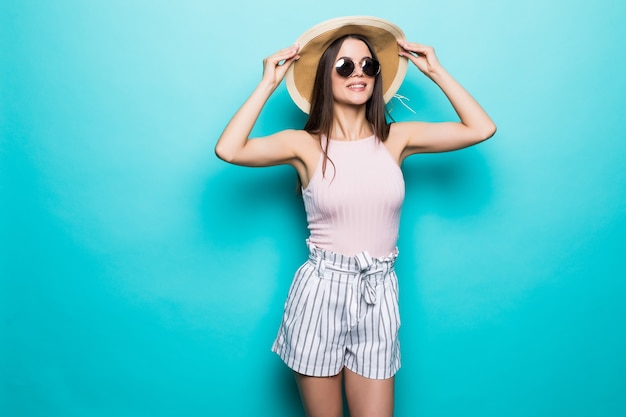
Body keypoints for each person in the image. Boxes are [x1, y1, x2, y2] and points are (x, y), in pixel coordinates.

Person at [215, 15, 496, 417]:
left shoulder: (397, 139)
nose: (359, 73)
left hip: (378, 292)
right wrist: (267, 83)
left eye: (368, 64)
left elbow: (481, 128)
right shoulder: (303, 145)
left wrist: (436, 71)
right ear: (324, 77)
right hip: (322, 292)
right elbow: (229, 150)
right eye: (344, 66)